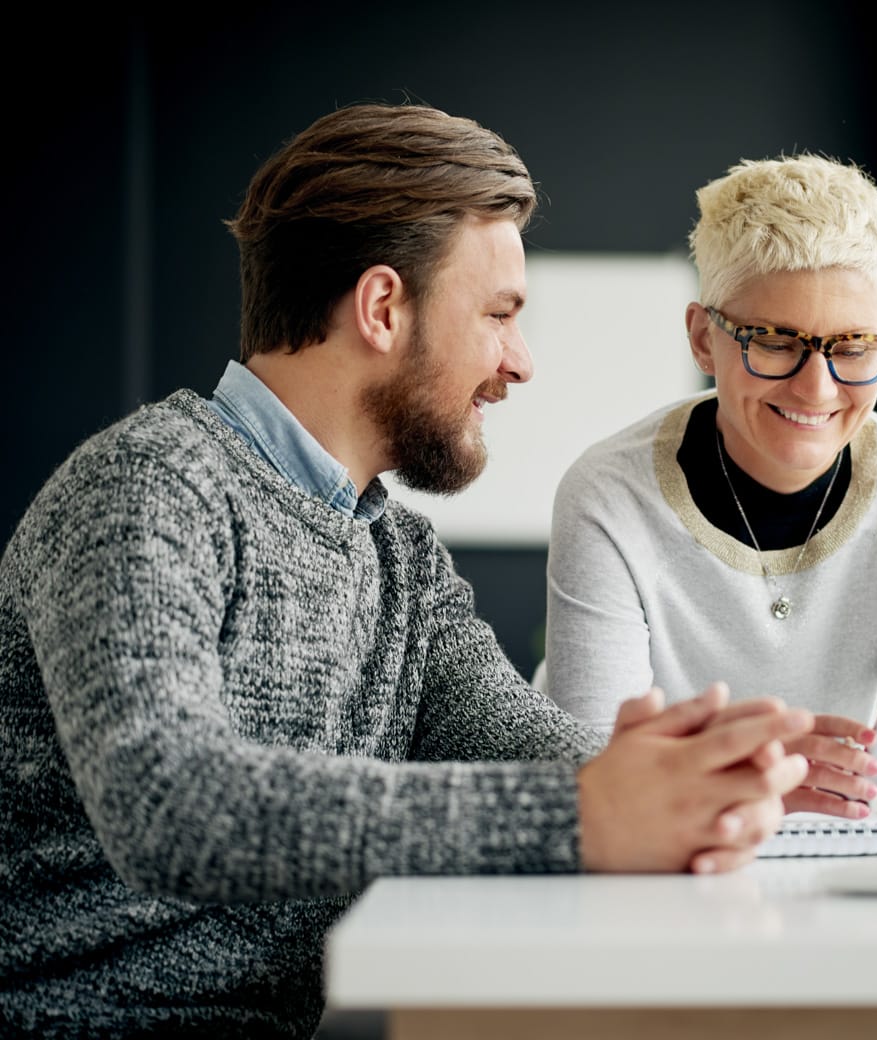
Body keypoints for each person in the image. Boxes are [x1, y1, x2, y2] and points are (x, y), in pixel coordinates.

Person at [0, 104, 813, 1039]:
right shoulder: (150, 486)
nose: (521, 363)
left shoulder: (398, 555)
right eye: (500, 314)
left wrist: (699, 778)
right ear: (383, 308)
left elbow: (524, 744)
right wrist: (580, 815)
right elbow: (171, 803)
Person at [544, 153, 877, 819]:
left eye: (853, 347)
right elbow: (594, 782)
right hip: (654, 867)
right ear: (704, 340)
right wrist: (759, 788)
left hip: (830, 860)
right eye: (774, 342)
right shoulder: (607, 497)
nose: (816, 389)